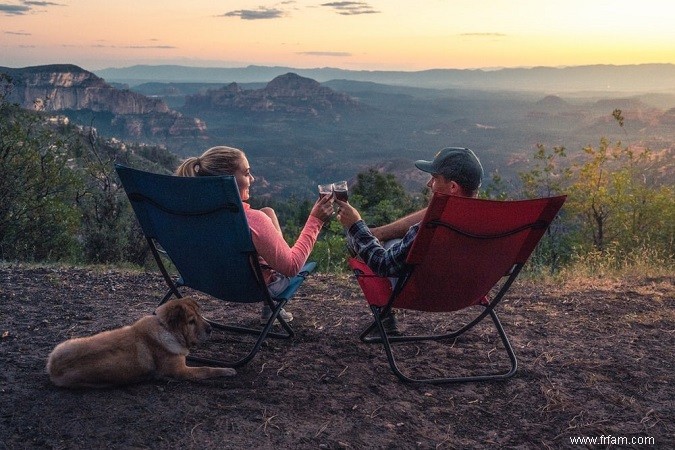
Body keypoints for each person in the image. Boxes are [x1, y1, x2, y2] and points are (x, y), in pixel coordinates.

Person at [176, 146, 335, 324]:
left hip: (206, 281)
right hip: (251, 288)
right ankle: (271, 305)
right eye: (246, 173)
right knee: (281, 252)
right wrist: (316, 220)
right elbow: (292, 267)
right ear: (228, 180)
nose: (252, 179)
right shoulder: (253, 221)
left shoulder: (189, 214)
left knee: (268, 212)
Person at [335, 147, 483, 333]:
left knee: (363, 241)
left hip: (423, 292)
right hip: (469, 292)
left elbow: (383, 264)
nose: (429, 184)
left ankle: (385, 318)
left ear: (453, 187)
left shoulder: (433, 228)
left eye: (435, 178)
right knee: (386, 239)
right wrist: (378, 233)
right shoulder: (493, 223)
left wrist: (355, 226)